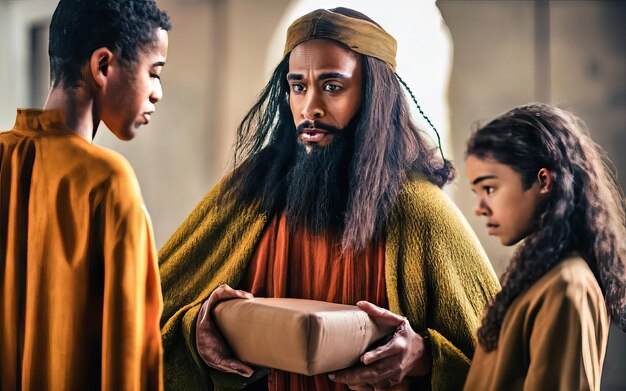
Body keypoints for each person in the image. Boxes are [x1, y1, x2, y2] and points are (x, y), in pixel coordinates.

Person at [160, 7, 499, 391]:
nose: (310, 108)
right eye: (298, 86)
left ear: (374, 96)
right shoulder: (250, 195)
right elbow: (151, 313)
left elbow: (505, 365)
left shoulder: (420, 211)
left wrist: (423, 356)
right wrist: (197, 327)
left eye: (332, 86)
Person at [0, 1, 170, 390]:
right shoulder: (107, 182)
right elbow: (132, 358)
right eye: (153, 72)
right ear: (103, 66)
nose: (157, 93)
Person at [464, 103, 626, 390]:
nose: (480, 209)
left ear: (543, 181)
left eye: (489, 188)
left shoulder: (567, 286)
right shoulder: (541, 277)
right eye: (476, 193)